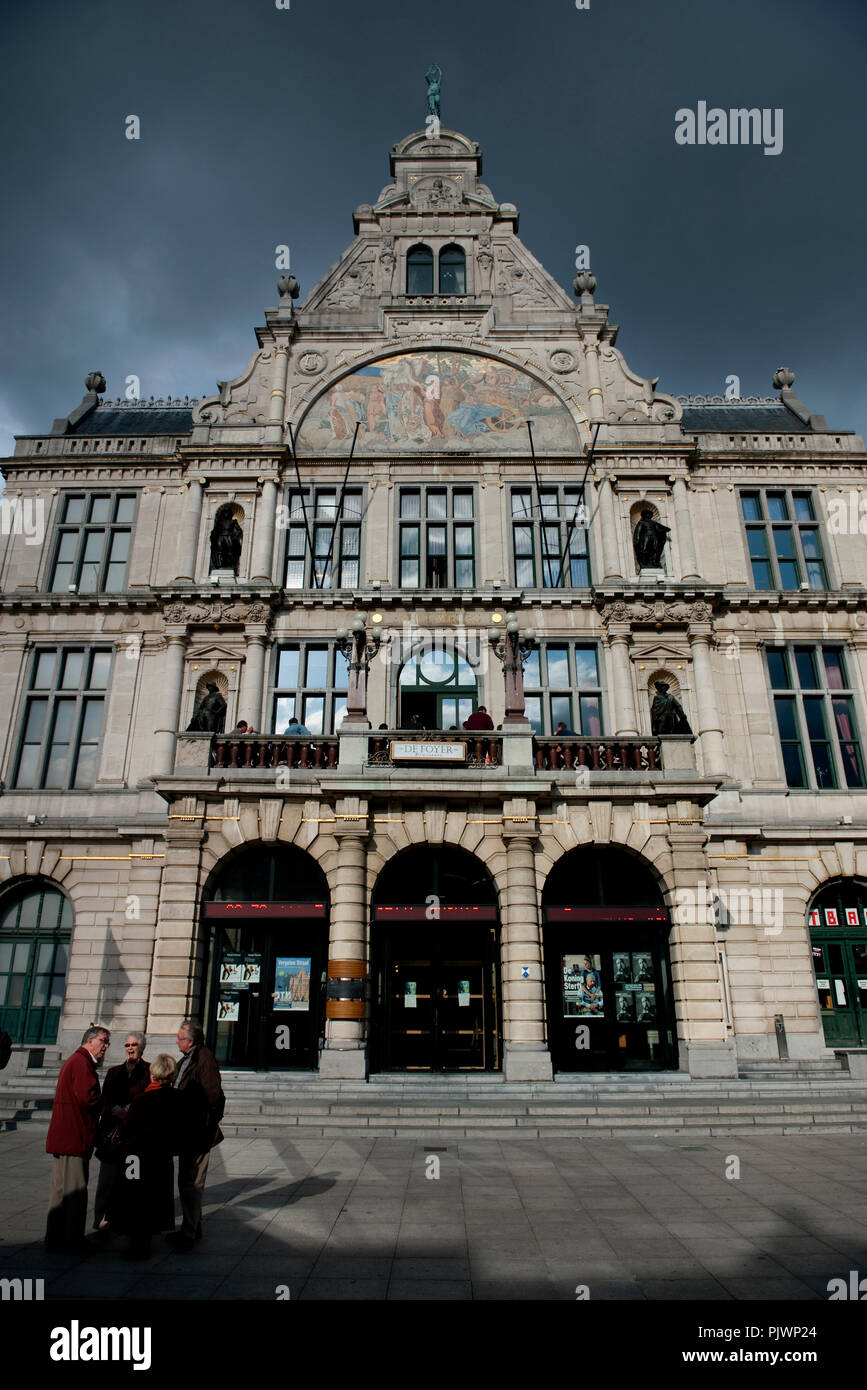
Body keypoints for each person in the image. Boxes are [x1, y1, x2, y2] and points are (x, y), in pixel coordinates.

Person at [109, 1054, 183, 1260]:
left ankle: (137, 1244)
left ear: (153, 1075)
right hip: (162, 1157)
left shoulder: (143, 1099)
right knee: (155, 1197)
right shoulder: (177, 1098)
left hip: (137, 1157)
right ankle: (146, 1239)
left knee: (135, 1198)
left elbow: (129, 1127)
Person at [44, 1024, 110, 1254]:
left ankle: (55, 1238)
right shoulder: (82, 1063)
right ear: (90, 1040)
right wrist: (110, 1109)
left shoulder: (76, 1061)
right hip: (74, 1137)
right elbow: (88, 1098)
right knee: (75, 1191)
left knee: (60, 1191)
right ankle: (72, 1239)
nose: (106, 1046)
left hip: (64, 1137)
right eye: (103, 1040)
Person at [168, 1020, 225, 1252]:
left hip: (197, 1132)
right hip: (187, 1131)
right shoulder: (187, 1059)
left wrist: (206, 1121)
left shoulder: (204, 1058)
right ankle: (192, 1226)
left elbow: (214, 1095)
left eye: (180, 1038)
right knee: (187, 1181)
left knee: (192, 1183)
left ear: (190, 1041)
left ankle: (189, 1232)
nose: (176, 1041)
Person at [92, 1032, 149, 1237]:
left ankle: (127, 1222)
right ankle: (100, 1221)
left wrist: (131, 1114)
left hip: (134, 1140)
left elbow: (148, 1101)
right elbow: (104, 1099)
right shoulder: (114, 1072)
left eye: (134, 1045)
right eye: (127, 1045)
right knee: (106, 1182)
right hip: (113, 1138)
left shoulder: (149, 1071)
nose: (130, 1048)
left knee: (132, 1183)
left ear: (142, 1047)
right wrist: (116, 1111)